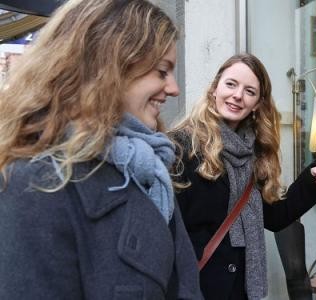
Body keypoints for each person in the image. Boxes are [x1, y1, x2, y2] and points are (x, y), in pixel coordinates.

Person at [0, 0, 202, 299]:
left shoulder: (148, 166)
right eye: (161, 71)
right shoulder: (35, 183)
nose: (174, 88)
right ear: (109, 66)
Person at [170, 53, 316, 300]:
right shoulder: (182, 146)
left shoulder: (253, 152)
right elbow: (167, 229)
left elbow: (274, 217)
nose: (237, 95)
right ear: (215, 89)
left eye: (249, 91)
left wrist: (312, 179)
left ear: (257, 103)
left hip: (239, 289)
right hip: (196, 289)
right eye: (231, 84)